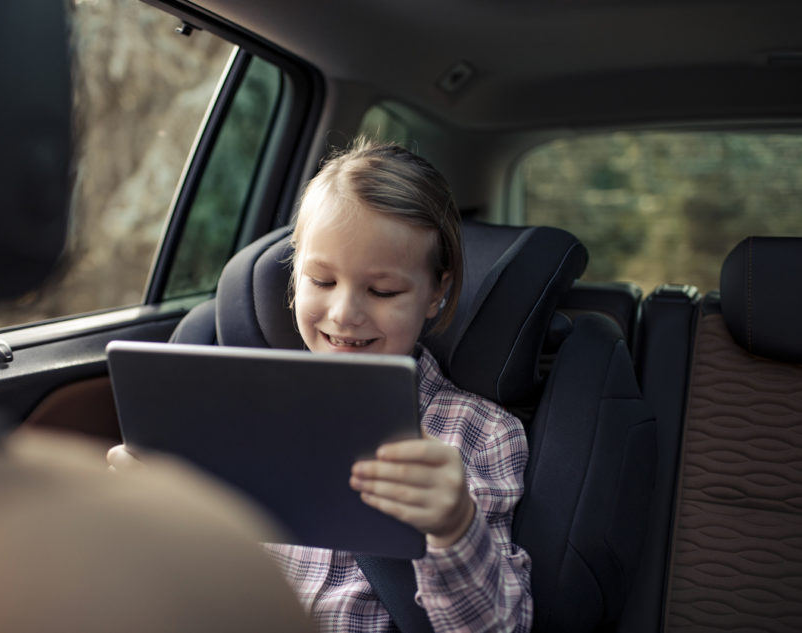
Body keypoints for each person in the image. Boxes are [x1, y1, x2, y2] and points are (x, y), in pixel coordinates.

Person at [109, 139, 532, 632]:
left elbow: (503, 627)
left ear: (437, 291)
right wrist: (144, 515)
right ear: (294, 279)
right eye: (322, 281)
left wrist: (455, 527)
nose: (344, 314)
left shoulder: (481, 432)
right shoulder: (231, 409)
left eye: (383, 291)